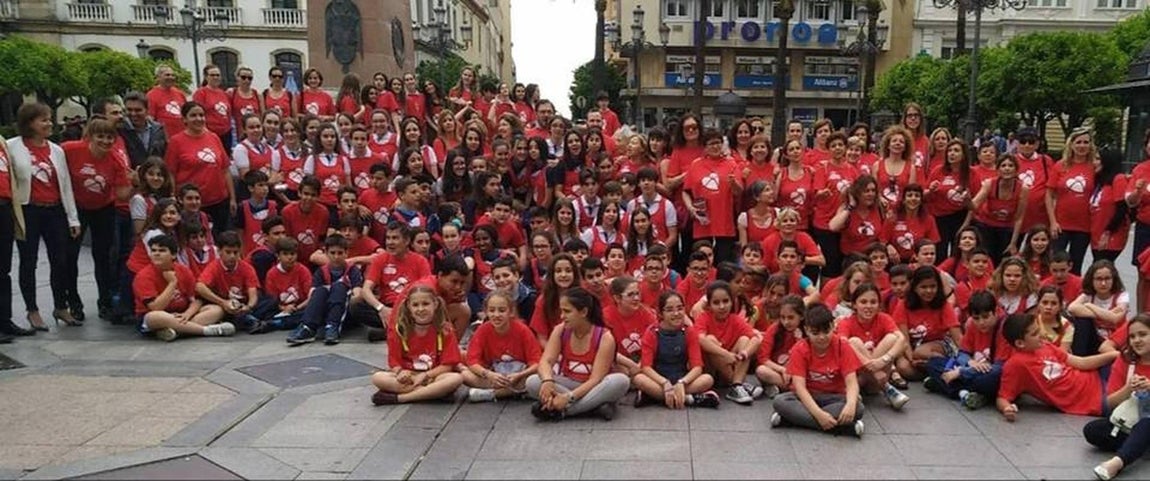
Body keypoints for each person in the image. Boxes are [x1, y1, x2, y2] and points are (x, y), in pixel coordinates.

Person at [9, 102, 82, 329]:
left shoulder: (56, 150)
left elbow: (66, 185)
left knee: (60, 260)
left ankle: (61, 305)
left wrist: (73, 218)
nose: (49, 123)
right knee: (28, 261)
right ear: (29, 123)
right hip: (28, 209)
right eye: (43, 120)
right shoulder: (12, 147)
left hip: (55, 210)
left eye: (50, 119)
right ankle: (32, 310)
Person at [62, 118, 133, 321]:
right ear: (89, 137)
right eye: (100, 136)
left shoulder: (115, 160)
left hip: (104, 208)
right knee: (70, 256)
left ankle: (105, 302)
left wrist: (135, 183)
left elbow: (121, 194)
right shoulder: (70, 149)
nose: (105, 141)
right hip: (76, 208)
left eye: (110, 137)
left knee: (103, 257)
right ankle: (73, 302)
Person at [526, 286, 630, 421]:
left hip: (596, 386)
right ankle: (594, 407)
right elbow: (546, 361)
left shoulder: (604, 337)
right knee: (532, 382)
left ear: (584, 312)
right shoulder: (560, 330)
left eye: (567, 311)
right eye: (561, 311)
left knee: (621, 381)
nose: (562, 316)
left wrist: (568, 398)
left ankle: (564, 411)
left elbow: (596, 379)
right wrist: (547, 380)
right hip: (568, 383)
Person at [997, 313, 1119, 420]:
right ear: (1020, 343)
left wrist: (1114, 355)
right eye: (1035, 334)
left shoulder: (1045, 346)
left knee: (1128, 364)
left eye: (1039, 329)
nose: (1041, 334)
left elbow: (1081, 362)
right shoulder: (1015, 365)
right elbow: (1003, 397)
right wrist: (1007, 408)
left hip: (1097, 377)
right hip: (1092, 400)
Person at [770, 304, 866, 437]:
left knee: (858, 407)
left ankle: (790, 421)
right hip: (807, 396)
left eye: (826, 331)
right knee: (780, 401)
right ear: (806, 330)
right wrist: (818, 415)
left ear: (833, 326)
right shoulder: (800, 348)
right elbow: (800, 388)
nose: (822, 337)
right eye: (815, 333)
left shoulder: (842, 346)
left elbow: (851, 382)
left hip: (835, 397)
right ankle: (843, 428)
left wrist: (850, 405)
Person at [370, 284, 464, 405]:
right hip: (409, 378)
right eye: (415, 305)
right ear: (409, 307)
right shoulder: (400, 330)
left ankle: (401, 398)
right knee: (378, 377)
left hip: (433, 376)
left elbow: (448, 365)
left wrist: (426, 375)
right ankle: (433, 393)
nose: (420, 309)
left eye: (425, 304)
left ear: (435, 304)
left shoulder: (445, 330)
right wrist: (400, 372)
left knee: (455, 379)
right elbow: (394, 362)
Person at [1083, 314, 1150, 481]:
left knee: (1147, 422)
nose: (1137, 340)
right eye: (1132, 336)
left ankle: (1117, 463)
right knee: (1092, 430)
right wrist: (1128, 389)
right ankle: (1140, 445)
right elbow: (1109, 404)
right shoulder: (1126, 360)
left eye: (1143, 334)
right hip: (1129, 421)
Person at [132, 234, 232, 342]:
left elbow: (197, 299)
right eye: (153, 250)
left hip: (181, 313)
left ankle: (177, 331)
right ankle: (206, 330)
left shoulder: (183, 270)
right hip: (156, 316)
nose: (156, 254)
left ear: (174, 255)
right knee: (154, 317)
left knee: (216, 310)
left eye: (162, 251)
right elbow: (156, 307)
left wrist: (187, 314)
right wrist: (172, 283)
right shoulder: (143, 276)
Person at [632, 291, 721, 409]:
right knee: (638, 379)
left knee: (708, 379)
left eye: (680, 308)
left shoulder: (689, 331)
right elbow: (646, 367)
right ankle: (690, 399)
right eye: (669, 310)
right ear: (661, 313)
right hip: (658, 380)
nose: (676, 313)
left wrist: (682, 382)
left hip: (683, 379)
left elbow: (697, 367)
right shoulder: (652, 333)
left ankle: (654, 397)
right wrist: (664, 383)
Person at [923, 291, 1010, 410]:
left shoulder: (1004, 328)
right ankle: (970, 393)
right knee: (933, 363)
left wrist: (962, 372)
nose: (981, 322)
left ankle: (944, 386)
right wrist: (970, 362)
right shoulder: (972, 325)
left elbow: (1000, 367)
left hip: (989, 374)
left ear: (995, 312)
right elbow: (962, 353)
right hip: (973, 369)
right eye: (976, 318)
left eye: (986, 317)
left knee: (992, 378)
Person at [165, 101, 235, 236]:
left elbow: (225, 169)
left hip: (219, 201)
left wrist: (232, 198)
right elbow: (170, 173)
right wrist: (173, 196)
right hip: (193, 204)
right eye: (193, 115)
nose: (198, 118)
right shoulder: (176, 141)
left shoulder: (214, 137)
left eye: (201, 115)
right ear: (184, 119)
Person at [836, 283, 910, 409]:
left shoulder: (884, 318)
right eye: (863, 302)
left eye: (873, 302)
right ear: (854, 304)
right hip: (858, 377)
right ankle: (887, 388)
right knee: (853, 341)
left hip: (875, 382)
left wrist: (884, 360)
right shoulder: (846, 322)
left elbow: (902, 339)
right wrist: (870, 366)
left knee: (892, 338)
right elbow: (842, 343)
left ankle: (865, 389)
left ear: (879, 304)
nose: (868, 306)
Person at [461, 291, 541, 402]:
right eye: (492, 310)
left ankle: (494, 394)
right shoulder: (483, 330)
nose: (496, 315)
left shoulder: (522, 330)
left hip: (519, 376)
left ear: (511, 312)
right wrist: (489, 374)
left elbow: (536, 362)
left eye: (502, 311)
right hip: (494, 376)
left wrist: (519, 375)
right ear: (486, 312)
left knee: (534, 378)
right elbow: (472, 360)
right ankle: (513, 392)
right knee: (465, 375)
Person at [286, 234, 364, 345]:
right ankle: (308, 327)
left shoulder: (352, 270)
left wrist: (342, 293)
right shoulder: (321, 272)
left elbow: (358, 294)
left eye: (340, 253)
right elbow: (312, 295)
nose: (336, 257)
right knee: (320, 291)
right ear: (326, 253)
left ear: (346, 253)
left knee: (339, 287)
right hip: (324, 311)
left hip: (345, 313)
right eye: (332, 253)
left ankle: (333, 326)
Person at [695, 281, 763, 405]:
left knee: (745, 340)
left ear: (732, 302)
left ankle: (736, 386)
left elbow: (755, 339)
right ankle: (738, 384)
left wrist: (744, 354)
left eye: (725, 301)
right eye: (716, 303)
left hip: (731, 364)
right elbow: (700, 339)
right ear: (709, 305)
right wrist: (725, 354)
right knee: (710, 340)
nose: (722, 306)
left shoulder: (735, 319)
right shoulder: (704, 317)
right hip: (710, 371)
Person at [1047, 128, 1098, 273]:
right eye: (1078, 142)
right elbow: (1049, 194)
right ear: (1071, 145)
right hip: (1060, 224)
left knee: (1076, 265)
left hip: (1084, 226)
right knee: (1055, 261)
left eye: (1085, 142)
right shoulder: (1060, 166)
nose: (1082, 146)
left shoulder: (1094, 167)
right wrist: (1052, 221)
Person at [194, 231, 264, 331]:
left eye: (235, 252)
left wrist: (248, 307)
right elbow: (200, 287)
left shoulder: (247, 268)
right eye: (228, 252)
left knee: (269, 302)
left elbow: (253, 293)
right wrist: (223, 302)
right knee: (215, 310)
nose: (232, 256)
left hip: (242, 306)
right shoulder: (214, 267)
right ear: (219, 251)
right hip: (222, 304)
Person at [1068, 260, 1129, 357]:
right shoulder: (1088, 295)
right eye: (1099, 279)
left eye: (1107, 278)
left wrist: (1090, 306)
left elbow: (1115, 318)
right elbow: (1072, 308)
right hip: (1094, 340)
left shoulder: (1122, 296)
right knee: (1082, 320)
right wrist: (1106, 314)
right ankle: (1078, 358)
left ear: (1114, 279)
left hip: (1114, 342)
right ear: (1092, 280)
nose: (1103, 283)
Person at [755, 294, 805, 397]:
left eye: (791, 317)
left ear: (802, 316)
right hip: (779, 371)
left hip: (799, 374)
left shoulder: (808, 330)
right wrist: (782, 369)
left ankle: (790, 389)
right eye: (783, 317)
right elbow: (763, 358)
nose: (786, 322)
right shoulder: (775, 329)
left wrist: (799, 341)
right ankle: (794, 389)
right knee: (761, 371)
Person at [120, 91, 168, 168]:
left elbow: (165, 155)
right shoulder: (120, 131)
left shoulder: (158, 130)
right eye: (129, 110)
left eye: (138, 110)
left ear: (147, 110)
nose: (133, 114)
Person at [192, 64, 234, 148]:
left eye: (218, 75)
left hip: (226, 133)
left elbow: (229, 113)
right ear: (206, 77)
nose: (215, 77)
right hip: (210, 133)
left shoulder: (224, 93)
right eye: (212, 75)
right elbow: (198, 114)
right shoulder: (201, 93)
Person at [146, 64, 187, 136]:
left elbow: (186, 114)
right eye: (167, 75)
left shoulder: (180, 93)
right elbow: (150, 119)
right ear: (158, 77)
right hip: (164, 137)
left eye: (172, 75)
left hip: (181, 136)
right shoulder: (151, 95)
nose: (171, 77)